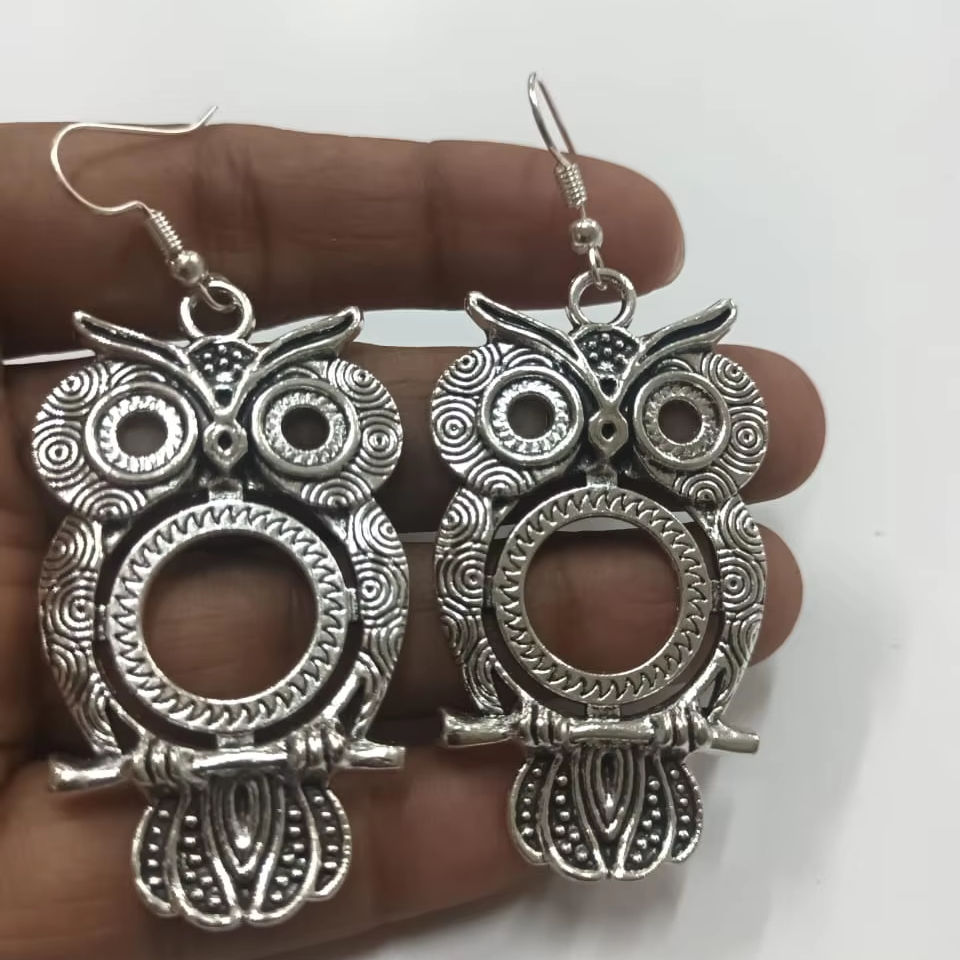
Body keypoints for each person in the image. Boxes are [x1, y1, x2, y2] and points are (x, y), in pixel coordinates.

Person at [0, 123, 824, 959]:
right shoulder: (96, 539)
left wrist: (686, 709)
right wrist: (142, 749)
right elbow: (81, 635)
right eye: (537, 407)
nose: (607, 434)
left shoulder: (387, 523)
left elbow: (391, 614)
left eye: (666, 413)